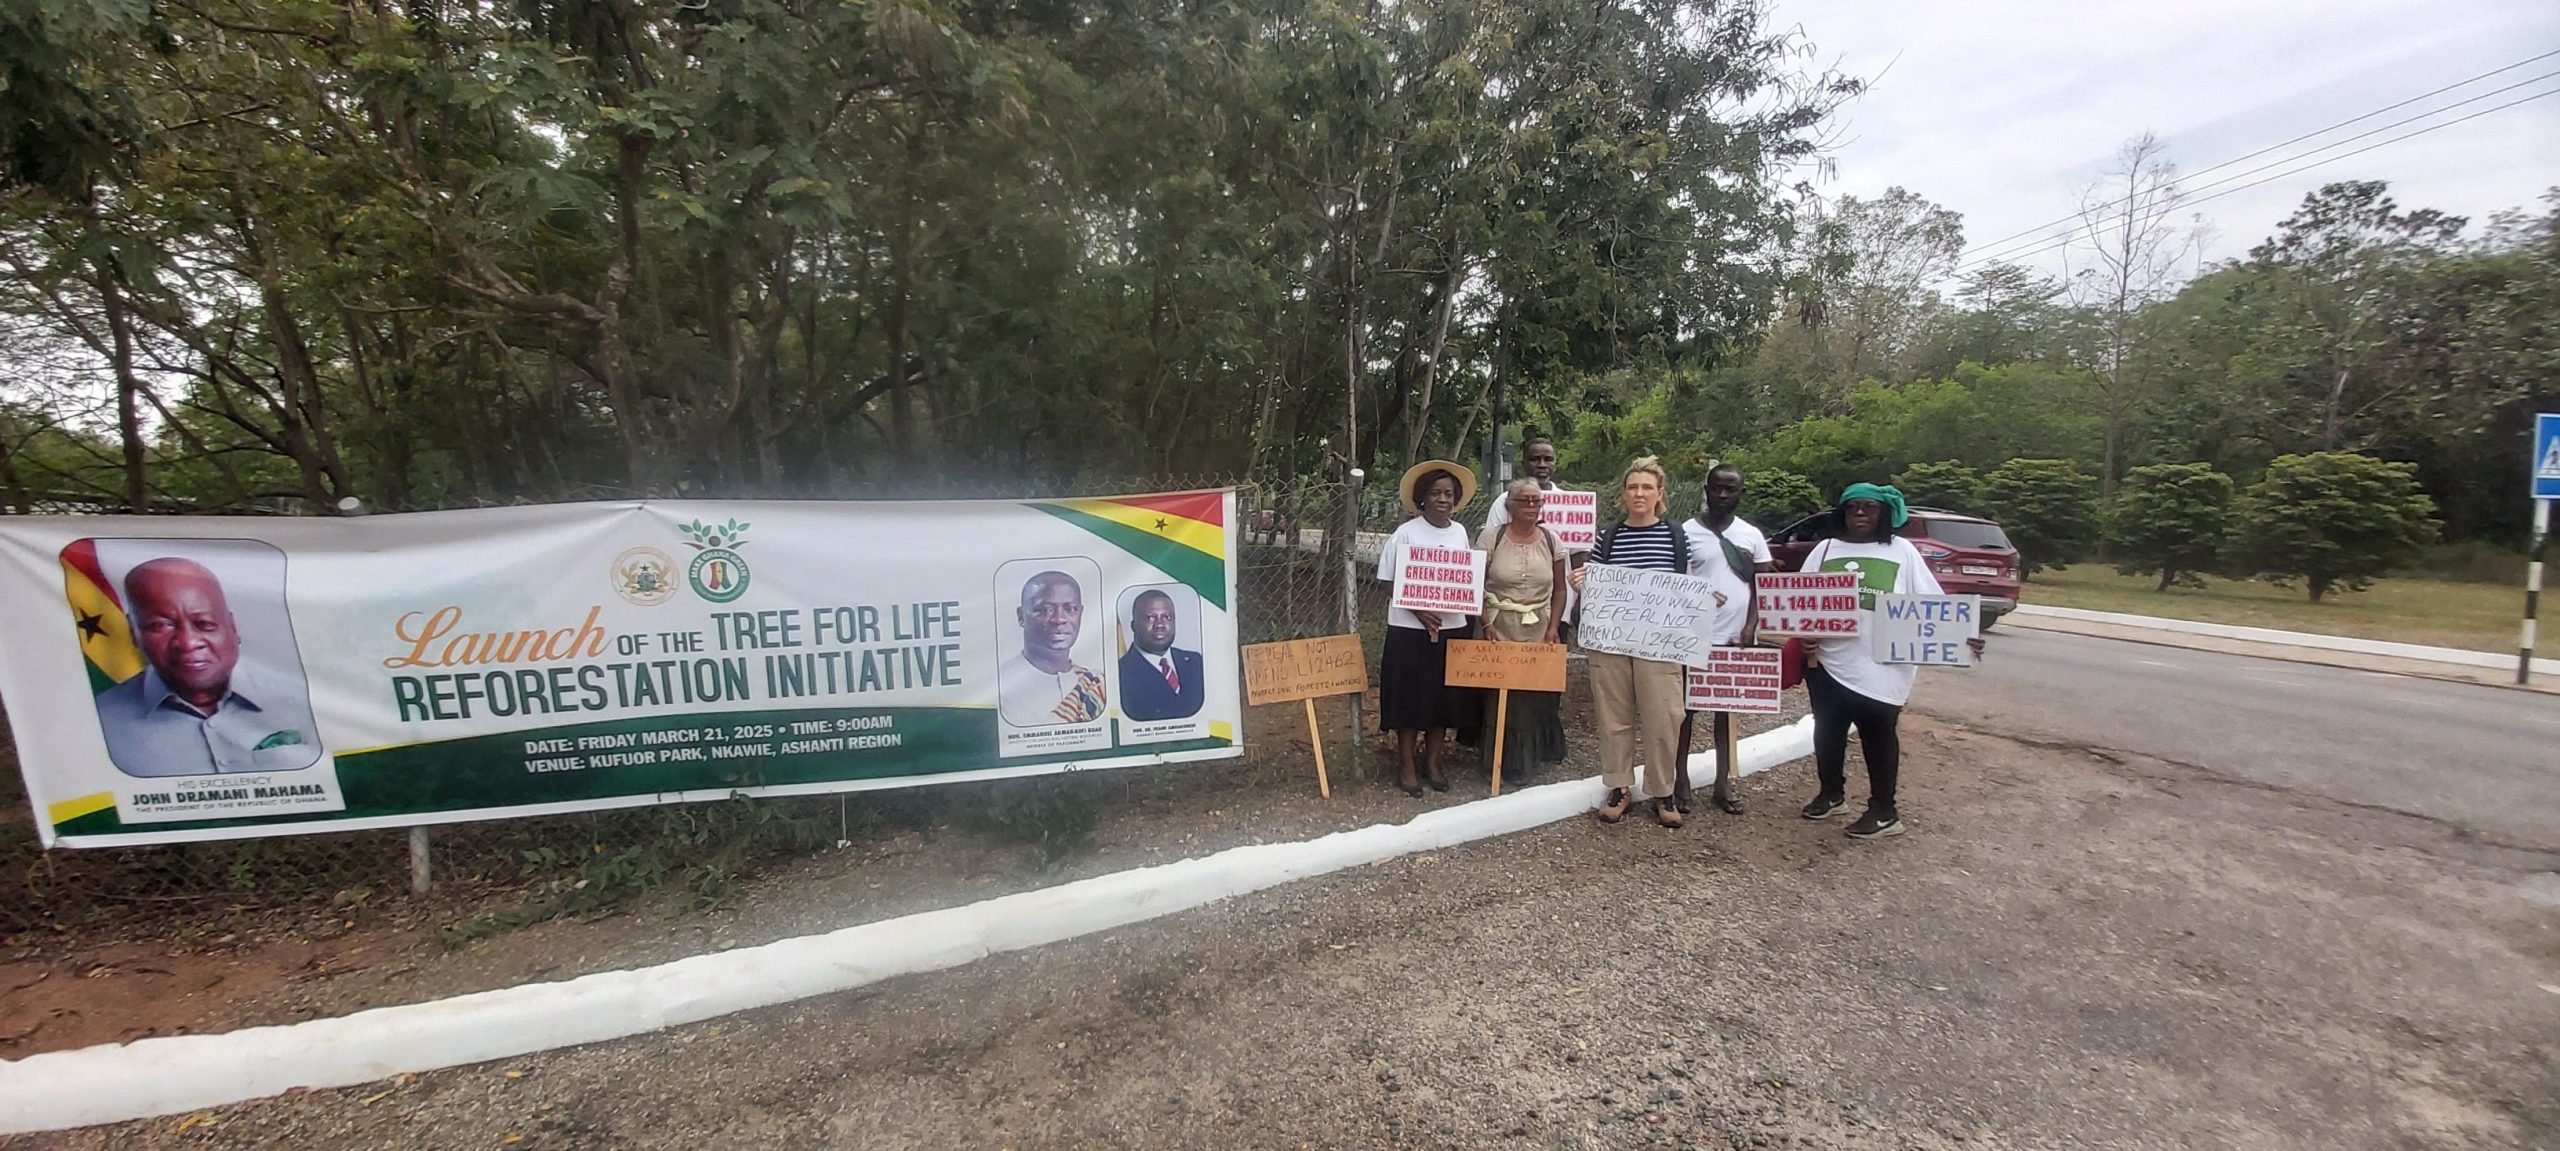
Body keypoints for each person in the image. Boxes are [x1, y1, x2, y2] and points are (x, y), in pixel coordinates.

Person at [1798, 483, 1985, 839]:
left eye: (1869, 507)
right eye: (1852, 507)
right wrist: (1801, 631)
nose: (1860, 514)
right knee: (1827, 732)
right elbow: (1800, 599)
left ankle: (1885, 811)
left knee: (1878, 736)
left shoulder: (1902, 551)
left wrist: (1963, 638)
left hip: (1884, 665)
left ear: (1885, 513)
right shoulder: (1824, 550)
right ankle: (1831, 794)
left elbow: (1933, 604)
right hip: (1828, 661)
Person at [95, 557, 319, 777]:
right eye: (161, 626)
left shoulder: (309, 701)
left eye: (205, 624)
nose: (188, 643)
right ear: (133, 632)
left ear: (232, 626)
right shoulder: (97, 722)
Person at [1571, 456, 1700, 827]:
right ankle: (1618, 786)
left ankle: (1663, 790)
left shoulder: (1676, 536)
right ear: (1623, 495)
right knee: (1614, 717)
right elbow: (1595, 586)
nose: (1639, 493)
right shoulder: (1608, 536)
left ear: (1660, 493)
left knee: (1665, 717)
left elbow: (1685, 584)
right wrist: (1583, 583)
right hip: (1611, 642)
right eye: (1632, 487)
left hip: (1660, 644)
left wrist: (1703, 598)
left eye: (1647, 487)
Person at [1675, 463, 1776, 815]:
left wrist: (1751, 626)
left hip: (1735, 640)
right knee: (1684, 713)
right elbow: (1674, 580)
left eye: (1729, 489)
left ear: (1739, 493)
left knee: (1726, 714)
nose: (1721, 495)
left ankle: (1723, 782)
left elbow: (1764, 586)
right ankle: (1680, 780)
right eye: (1716, 488)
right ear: (1706, 488)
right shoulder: (1685, 531)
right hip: (1693, 637)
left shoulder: (1751, 535)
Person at [1377, 460, 1480, 797]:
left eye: (1449, 493)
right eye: (1436, 492)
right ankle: (1406, 764)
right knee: (1408, 699)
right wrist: (1419, 609)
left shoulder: (1460, 533)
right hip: (1409, 630)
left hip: (1452, 628)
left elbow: (1463, 577)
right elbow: (1388, 580)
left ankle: (1433, 761)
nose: (1443, 498)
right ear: (1422, 498)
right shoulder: (1405, 533)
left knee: (1443, 700)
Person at [1473, 478, 1569, 785]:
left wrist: (1553, 626)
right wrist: (1486, 623)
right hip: (1498, 627)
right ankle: (1497, 759)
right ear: (1509, 505)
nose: (1531, 506)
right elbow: (1473, 585)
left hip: (1538, 629)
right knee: (1500, 696)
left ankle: (1527, 759)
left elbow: (1560, 589)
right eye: (1524, 500)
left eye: (1536, 501)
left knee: (1531, 695)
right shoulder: (1491, 537)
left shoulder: (1552, 540)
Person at [999, 570, 1108, 726]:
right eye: (1046, 610)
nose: (1059, 619)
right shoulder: (999, 685)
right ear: (1021, 616)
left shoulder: (1096, 683)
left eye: (1070, 609)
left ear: (1080, 613)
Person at [1117, 589, 1205, 721]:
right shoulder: (1120, 672)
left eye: (1167, 617)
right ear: (1133, 626)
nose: (1160, 625)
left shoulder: (1196, 662)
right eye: (1150, 618)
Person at [1482, 435, 1562, 529]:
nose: (1542, 465)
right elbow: (1491, 539)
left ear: (1555, 465)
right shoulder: (1505, 500)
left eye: (1548, 459)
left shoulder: (1569, 503)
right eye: (1534, 459)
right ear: (1523, 464)